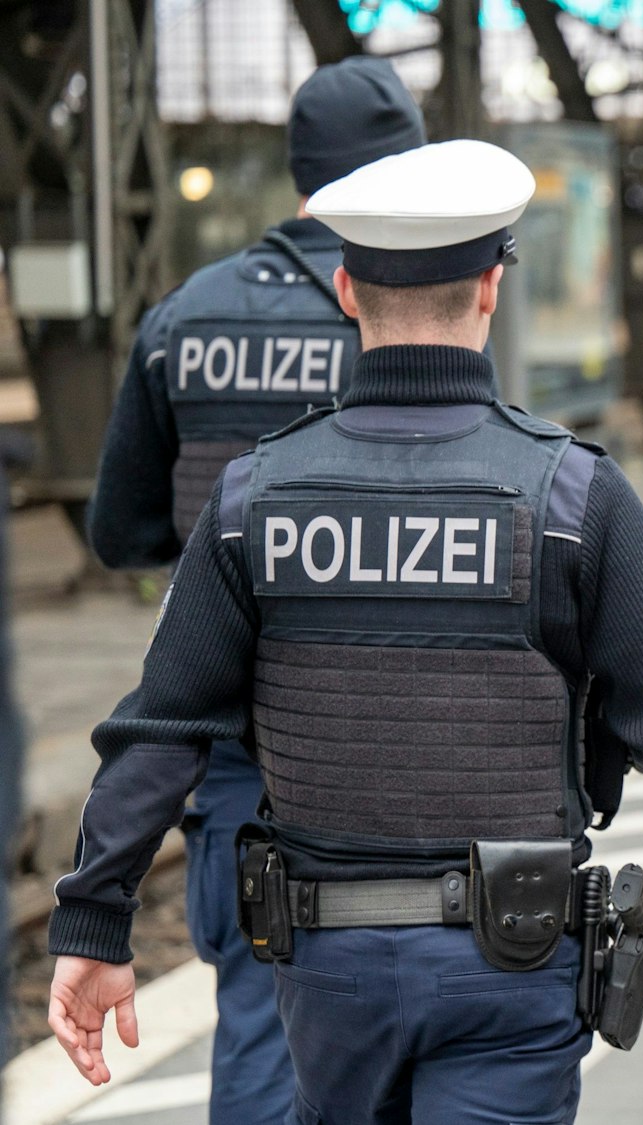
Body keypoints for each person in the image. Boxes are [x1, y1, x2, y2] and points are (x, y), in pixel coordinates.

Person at [46, 139, 643, 1125]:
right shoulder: (571, 496)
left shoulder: (254, 499)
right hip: (515, 954)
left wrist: (96, 916)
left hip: (328, 972)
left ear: (346, 292)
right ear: (491, 289)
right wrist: (594, 745)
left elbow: (163, 726)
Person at [81, 55, 427, 1123]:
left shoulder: (185, 317)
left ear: (299, 174)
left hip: (233, 758)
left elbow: (122, 530)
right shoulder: (417, 313)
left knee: (261, 1031)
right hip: (394, 758)